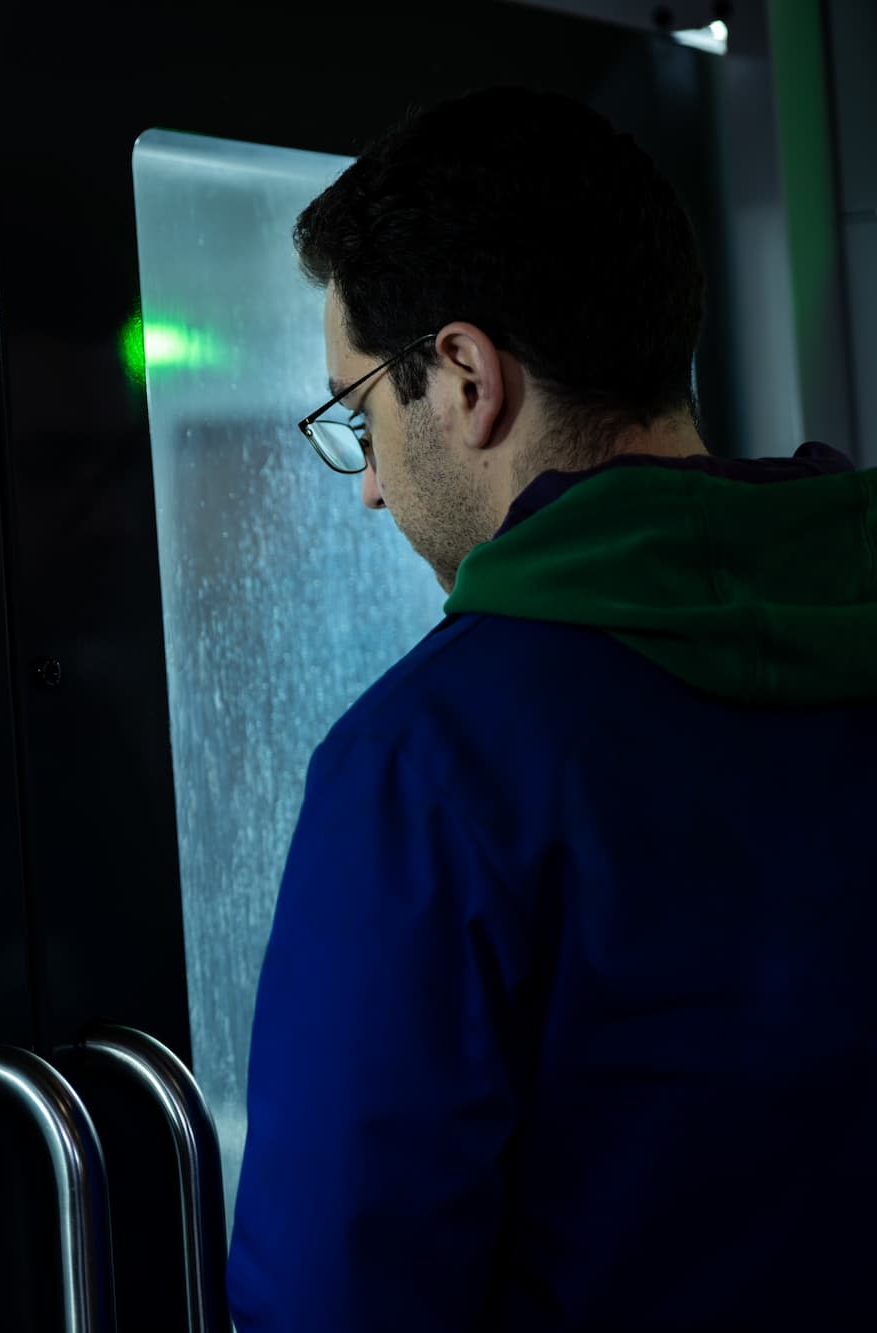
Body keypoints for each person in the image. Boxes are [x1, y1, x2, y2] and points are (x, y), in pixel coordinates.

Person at [226, 86, 877, 1331]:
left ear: (464, 376)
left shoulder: (428, 766)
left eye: (357, 414)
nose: (366, 488)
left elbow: (337, 1293)